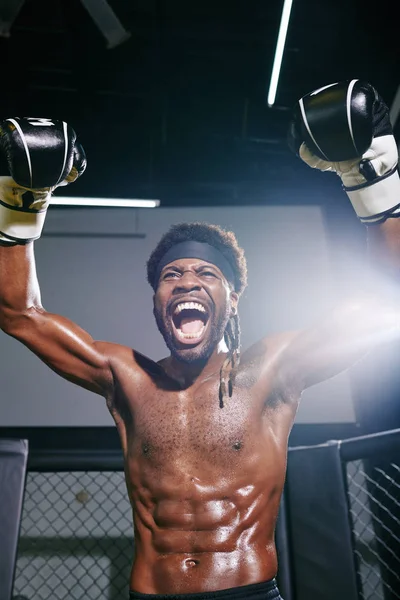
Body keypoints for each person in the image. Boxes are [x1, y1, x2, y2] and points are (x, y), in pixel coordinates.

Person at [0, 80, 399, 600]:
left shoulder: (272, 369)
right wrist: (21, 202)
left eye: (206, 274)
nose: (187, 281)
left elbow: (383, 304)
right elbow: (18, 313)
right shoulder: (126, 376)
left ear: (232, 300)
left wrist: (370, 174)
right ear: (157, 303)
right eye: (172, 275)